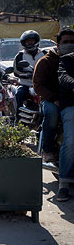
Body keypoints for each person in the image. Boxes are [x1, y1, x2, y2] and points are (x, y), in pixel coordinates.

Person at [34, 28, 74, 163]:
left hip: (70, 99)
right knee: (52, 113)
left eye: (72, 42)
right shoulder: (45, 61)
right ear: (58, 45)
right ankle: (48, 149)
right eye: (66, 42)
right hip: (51, 100)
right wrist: (54, 99)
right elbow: (38, 85)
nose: (69, 44)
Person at [55, 38, 74, 202]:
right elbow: (63, 77)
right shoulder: (67, 60)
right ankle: (64, 183)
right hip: (71, 105)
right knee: (71, 141)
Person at [14, 30, 47, 116]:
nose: (30, 43)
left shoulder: (44, 54)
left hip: (42, 84)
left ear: (36, 41)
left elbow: (51, 68)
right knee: (18, 94)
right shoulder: (20, 56)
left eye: (32, 40)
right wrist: (27, 75)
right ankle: (18, 118)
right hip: (26, 84)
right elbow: (16, 72)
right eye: (27, 41)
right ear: (24, 43)